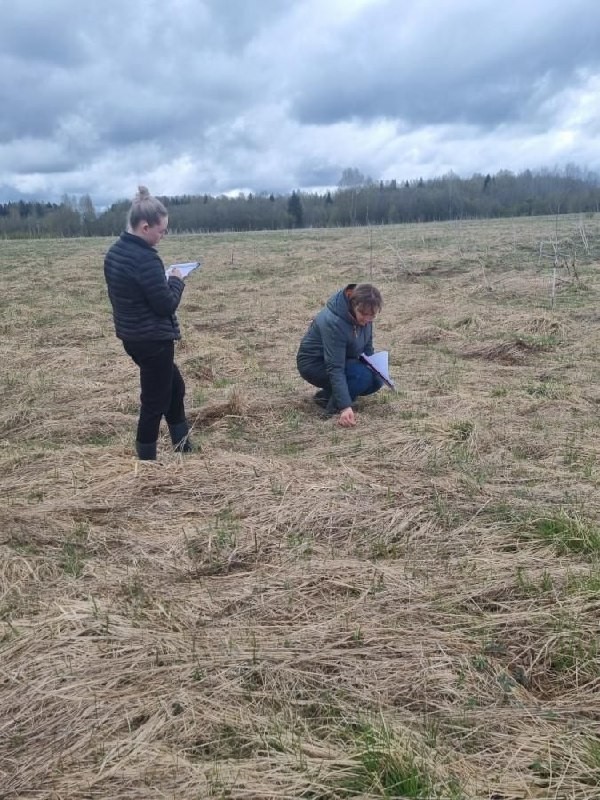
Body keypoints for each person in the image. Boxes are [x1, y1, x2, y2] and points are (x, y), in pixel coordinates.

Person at [104, 186, 192, 460]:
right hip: (153, 341)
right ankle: (146, 461)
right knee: (154, 401)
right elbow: (165, 304)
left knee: (175, 387)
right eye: (161, 230)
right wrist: (176, 280)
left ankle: (183, 445)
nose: (163, 235)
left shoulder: (115, 252)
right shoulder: (146, 260)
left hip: (132, 337)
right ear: (144, 227)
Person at [296, 283, 384, 428]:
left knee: (375, 379)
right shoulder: (334, 322)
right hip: (315, 364)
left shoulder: (366, 315)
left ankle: (325, 398)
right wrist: (345, 406)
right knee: (362, 376)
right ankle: (334, 409)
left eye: (372, 315)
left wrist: (378, 370)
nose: (367, 319)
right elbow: (335, 367)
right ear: (352, 304)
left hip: (343, 359)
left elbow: (367, 350)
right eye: (363, 314)